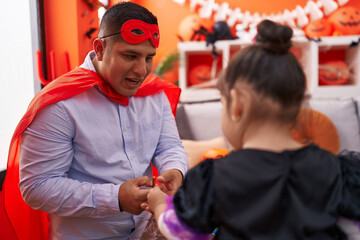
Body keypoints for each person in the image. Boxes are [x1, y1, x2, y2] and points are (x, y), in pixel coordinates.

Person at [142, 20, 360, 239]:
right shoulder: (336, 171)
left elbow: (182, 231)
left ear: (237, 105)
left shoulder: (216, 177)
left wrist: (161, 206)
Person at [3, 2, 188, 240]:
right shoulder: (60, 104)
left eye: (148, 58)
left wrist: (175, 171)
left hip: (146, 231)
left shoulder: (154, 93)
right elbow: (37, 187)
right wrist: (115, 199)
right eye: (130, 56)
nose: (141, 71)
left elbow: (169, 146)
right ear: (100, 49)